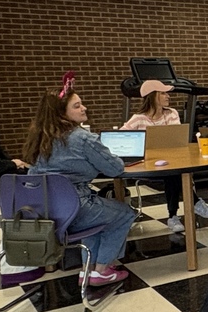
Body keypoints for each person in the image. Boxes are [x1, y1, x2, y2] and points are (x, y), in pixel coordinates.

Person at [23, 84, 136, 286]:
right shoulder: (83, 138)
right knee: (125, 213)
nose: (84, 108)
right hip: (75, 207)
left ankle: (87, 270)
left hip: (41, 210)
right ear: (62, 113)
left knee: (96, 220)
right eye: (77, 106)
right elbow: (115, 169)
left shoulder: (39, 137)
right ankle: (101, 270)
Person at [121, 80, 208, 233]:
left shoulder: (171, 113)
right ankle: (194, 202)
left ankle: (173, 216)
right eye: (163, 93)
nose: (168, 96)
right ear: (153, 96)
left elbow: (177, 138)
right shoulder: (138, 118)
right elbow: (122, 135)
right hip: (150, 164)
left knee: (173, 172)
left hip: (172, 161)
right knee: (174, 174)